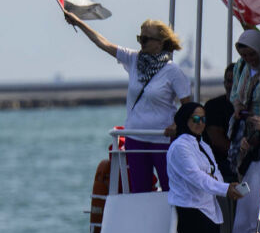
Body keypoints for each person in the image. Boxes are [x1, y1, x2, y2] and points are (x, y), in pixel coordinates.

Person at [65, 12, 192, 194]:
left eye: (146, 39)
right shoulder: (134, 60)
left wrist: (177, 124)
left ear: (160, 42)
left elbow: (189, 107)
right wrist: (78, 21)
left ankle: (175, 222)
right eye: (139, 38)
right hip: (135, 137)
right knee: (139, 191)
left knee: (170, 189)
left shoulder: (172, 71)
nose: (141, 43)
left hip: (162, 140)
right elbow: (103, 43)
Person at [163, 101, 243, 233]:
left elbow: (216, 172)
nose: (200, 123)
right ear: (185, 119)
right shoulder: (180, 147)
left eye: (203, 119)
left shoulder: (203, 145)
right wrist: (225, 189)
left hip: (208, 210)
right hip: (192, 211)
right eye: (196, 118)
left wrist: (224, 186)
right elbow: (196, 177)